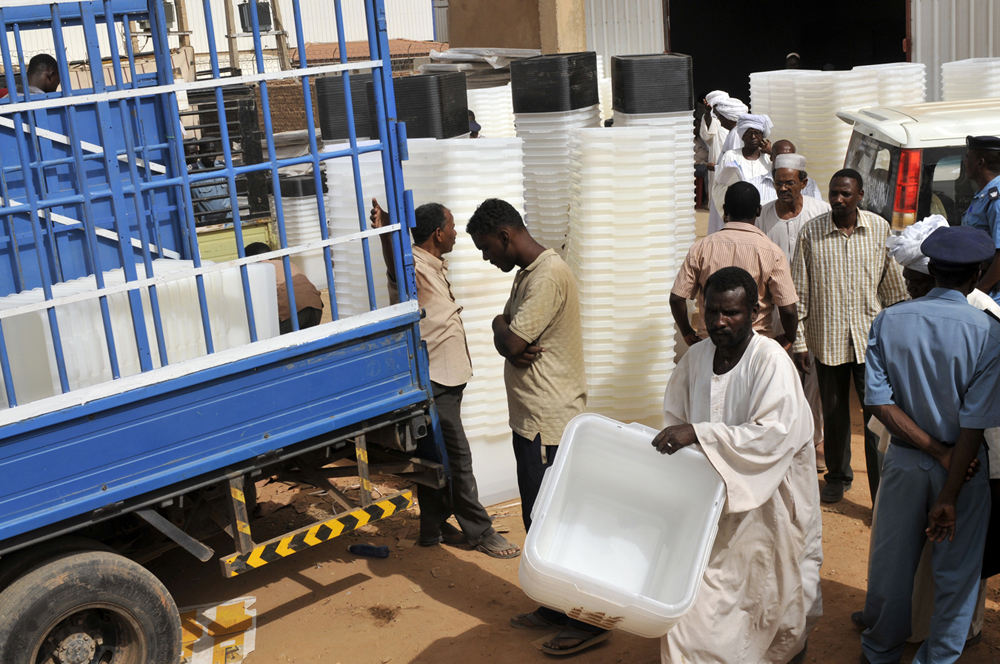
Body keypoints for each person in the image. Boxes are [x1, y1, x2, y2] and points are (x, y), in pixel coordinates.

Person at [656, 266, 822, 664]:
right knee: (698, 607)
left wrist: (700, 434)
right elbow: (674, 418)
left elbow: (774, 435)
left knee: (771, 601)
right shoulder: (695, 359)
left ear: (754, 311)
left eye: (730, 312)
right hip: (710, 507)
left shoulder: (771, 363)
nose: (718, 321)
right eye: (711, 311)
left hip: (770, 509)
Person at [852, 215, 999, 651]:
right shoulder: (990, 333)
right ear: (975, 276)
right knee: (957, 571)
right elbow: (975, 421)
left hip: (903, 460)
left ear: (930, 270)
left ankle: (879, 650)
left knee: (891, 564)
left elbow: (877, 402)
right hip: (965, 469)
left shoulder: (889, 320)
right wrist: (950, 486)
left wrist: (934, 451)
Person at [468, 198, 605, 655]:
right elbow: (505, 334)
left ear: (506, 236)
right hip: (532, 420)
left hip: (549, 421)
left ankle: (586, 620)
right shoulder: (528, 274)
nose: (488, 258)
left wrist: (505, 334)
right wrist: (497, 323)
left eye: (487, 248)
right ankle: (554, 604)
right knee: (537, 518)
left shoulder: (546, 276)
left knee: (556, 522)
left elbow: (513, 341)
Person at [368, 198, 519, 559]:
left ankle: (432, 528)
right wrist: (388, 233)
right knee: (457, 458)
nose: (455, 233)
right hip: (435, 379)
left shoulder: (432, 265)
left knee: (434, 457)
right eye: (451, 227)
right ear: (438, 233)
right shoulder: (414, 265)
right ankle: (481, 532)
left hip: (445, 376)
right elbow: (396, 263)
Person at [791, 169, 908, 504]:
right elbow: (801, 290)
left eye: (845, 194)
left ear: (859, 196)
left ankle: (880, 490)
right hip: (827, 341)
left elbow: (893, 288)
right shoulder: (811, 233)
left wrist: (899, 337)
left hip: (871, 342)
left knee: (877, 416)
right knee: (835, 410)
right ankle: (837, 476)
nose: (838, 200)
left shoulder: (878, 229)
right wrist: (799, 341)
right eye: (833, 194)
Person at [757, 152, 831, 472]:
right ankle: (783, 439)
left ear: (803, 183)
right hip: (775, 310)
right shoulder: (762, 217)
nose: (783, 189)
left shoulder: (820, 211)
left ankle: (813, 440)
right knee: (781, 375)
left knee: (811, 376)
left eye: (790, 183)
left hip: (813, 306)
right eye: (778, 182)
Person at [672, 182, 799, 348]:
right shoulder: (772, 253)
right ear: (759, 210)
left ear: (725, 209)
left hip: (710, 342)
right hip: (755, 345)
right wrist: (790, 336)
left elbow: (676, 298)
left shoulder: (701, 248)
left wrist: (687, 332)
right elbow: (788, 310)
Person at [709, 114, 774, 234]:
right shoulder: (730, 156)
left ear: (762, 136)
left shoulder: (769, 159)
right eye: (749, 133)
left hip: (766, 218)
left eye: (757, 133)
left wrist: (772, 153)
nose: (753, 136)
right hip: (739, 218)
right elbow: (719, 187)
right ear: (742, 136)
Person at [244, 242, 324, 334]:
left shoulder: (260, 269)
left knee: (271, 339)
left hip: (294, 311)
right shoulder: (286, 263)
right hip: (316, 307)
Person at [961, 135, 1000, 304]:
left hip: (993, 295)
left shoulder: (997, 198)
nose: (964, 162)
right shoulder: (984, 194)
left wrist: (978, 293)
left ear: (980, 163)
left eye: (968, 157)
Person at [705, 97, 748, 234]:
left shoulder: (736, 134)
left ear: (729, 118)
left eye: (720, 117)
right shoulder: (734, 132)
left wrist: (715, 167)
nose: (719, 120)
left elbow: (736, 166)